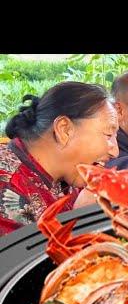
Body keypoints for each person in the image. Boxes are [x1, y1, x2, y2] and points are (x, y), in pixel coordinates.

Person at [0, 82, 118, 235]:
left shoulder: (72, 174)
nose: (115, 151)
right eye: (108, 135)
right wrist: (80, 221)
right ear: (64, 129)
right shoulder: (7, 186)